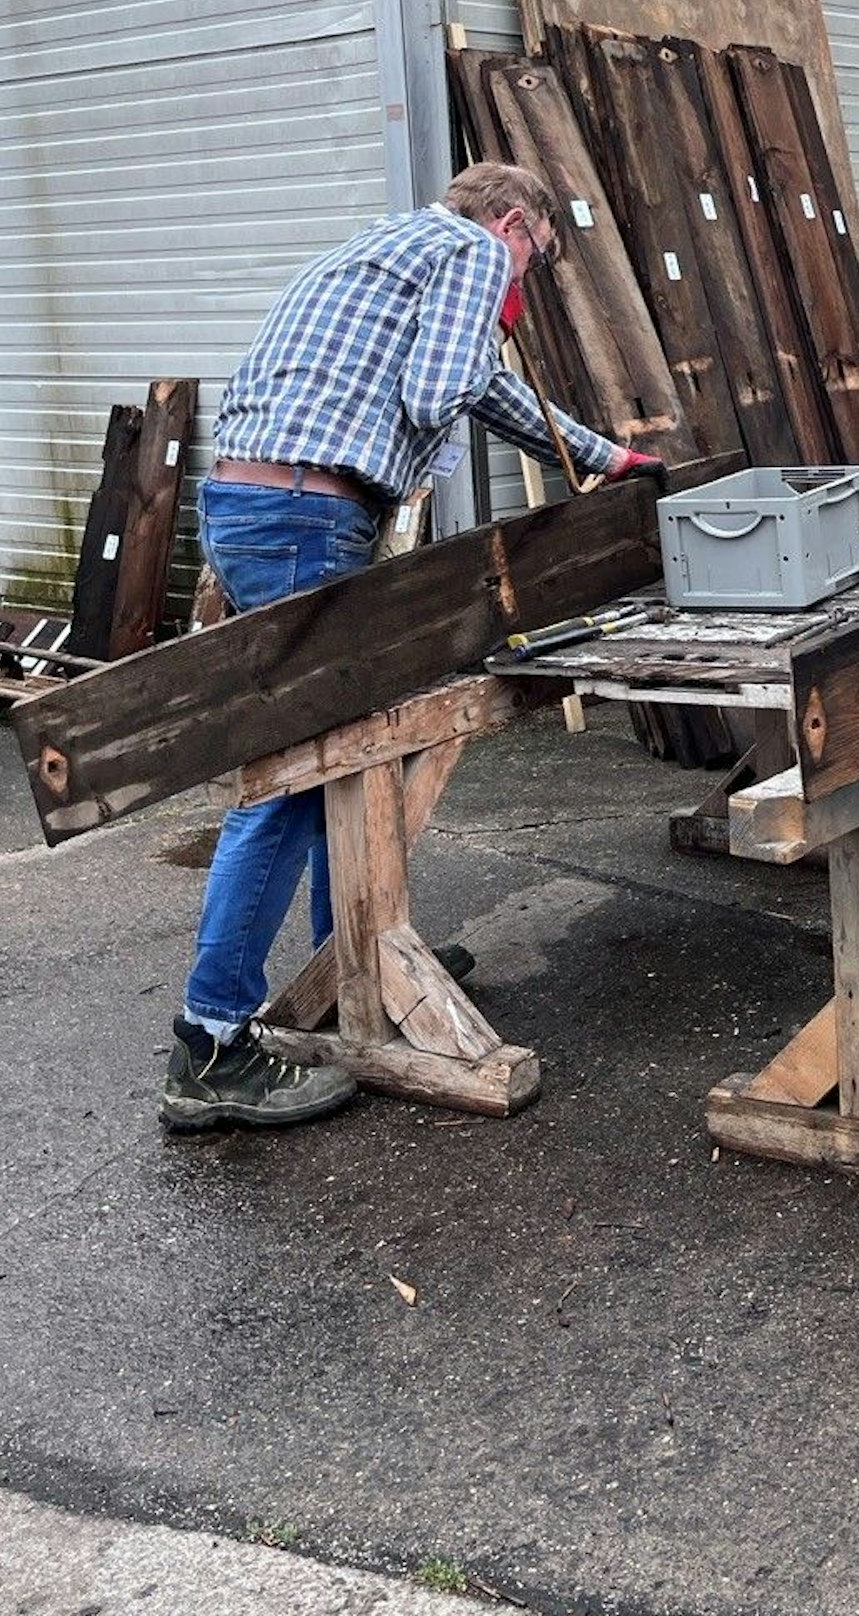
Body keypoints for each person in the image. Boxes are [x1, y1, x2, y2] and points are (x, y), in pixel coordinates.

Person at [159, 162, 656, 1135]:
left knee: (344, 755)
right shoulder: (472, 249)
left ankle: (350, 964)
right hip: (306, 514)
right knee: (300, 776)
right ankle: (210, 1038)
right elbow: (442, 392)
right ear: (513, 222)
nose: (528, 283)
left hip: (262, 504)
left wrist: (604, 457)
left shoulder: (387, 248)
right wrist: (491, 308)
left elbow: (486, 393)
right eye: (538, 261)